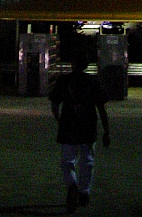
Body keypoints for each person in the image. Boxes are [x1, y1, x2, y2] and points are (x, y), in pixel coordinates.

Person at [49, 45, 110, 212]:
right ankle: (84, 192)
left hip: (68, 126)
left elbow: (54, 104)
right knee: (87, 161)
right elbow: (102, 109)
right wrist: (106, 131)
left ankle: (72, 185)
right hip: (88, 127)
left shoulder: (63, 80)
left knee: (67, 161)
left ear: (72, 64)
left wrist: (59, 120)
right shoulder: (93, 81)